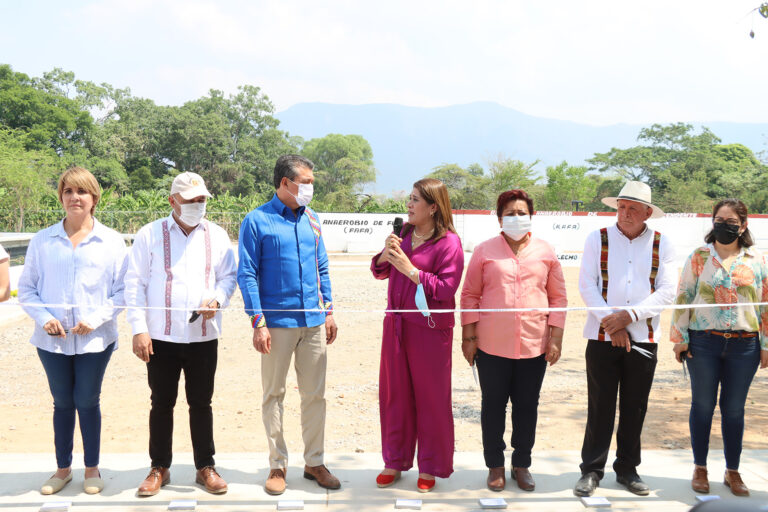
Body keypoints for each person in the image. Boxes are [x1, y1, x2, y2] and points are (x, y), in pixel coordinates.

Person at [124, 172, 237, 496]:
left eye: (201, 200)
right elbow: (135, 284)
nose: (197, 206)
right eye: (190, 201)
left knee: (202, 402)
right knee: (161, 402)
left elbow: (228, 277)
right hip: (161, 336)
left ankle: (205, 467)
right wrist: (139, 329)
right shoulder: (150, 235)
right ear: (173, 201)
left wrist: (218, 298)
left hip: (203, 334)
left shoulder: (216, 235)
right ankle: (159, 467)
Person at [18, 167, 127, 495]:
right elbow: (26, 289)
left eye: (82, 192)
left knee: (87, 399)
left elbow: (122, 292)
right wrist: (44, 317)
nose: (74, 197)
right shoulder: (43, 240)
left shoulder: (110, 241)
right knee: (62, 401)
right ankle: (63, 469)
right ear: (61, 197)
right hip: (52, 342)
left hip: (95, 339)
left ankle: (91, 469)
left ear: (94, 198)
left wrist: (94, 319)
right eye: (68, 191)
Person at [237, 155, 339, 496]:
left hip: (313, 322)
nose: (310, 188)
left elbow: (321, 266)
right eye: (305, 182)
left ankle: (315, 462)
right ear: (284, 183)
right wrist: (258, 322)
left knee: (315, 395)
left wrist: (328, 311)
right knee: (274, 394)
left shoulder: (312, 219)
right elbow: (247, 274)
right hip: (276, 324)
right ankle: (278, 464)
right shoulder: (256, 221)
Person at [460, 189, 567, 492]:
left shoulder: (545, 251)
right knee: (492, 405)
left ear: (531, 217)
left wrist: (555, 338)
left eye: (522, 213)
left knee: (526, 406)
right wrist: (468, 337)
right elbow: (469, 295)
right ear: (499, 218)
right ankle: (495, 465)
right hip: (491, 345)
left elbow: (559, 298)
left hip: (534, 344)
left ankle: (522, 464)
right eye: (510, 213)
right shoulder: (484, 251)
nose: (516, 218)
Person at [573, 181, 676, 497]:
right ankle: (591, 470)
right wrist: (612, 325)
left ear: (648, 212)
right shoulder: (597, 238)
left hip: (643, 338)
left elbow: (668, 290)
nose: (625, 213)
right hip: (602, 338)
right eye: (621, 206)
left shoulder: (662, 243)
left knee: (635, 406)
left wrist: (628, 318)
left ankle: (628, 469)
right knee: (600, 405)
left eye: (633, 208)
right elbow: (587, 285)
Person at [371, 178, 464, 493]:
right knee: (394, 395)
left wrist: (412, 271)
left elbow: (446, 289)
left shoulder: (449, 242)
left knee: (431, 399)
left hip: (429, 332)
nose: (408, 205)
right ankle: (393, 461)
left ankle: (431, 466)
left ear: (433, 207)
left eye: (415, 200)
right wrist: (387, 252)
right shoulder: (404, 234)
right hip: (396, 327)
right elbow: (380, 270)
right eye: (408, 199)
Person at [671, 198, 768, 497]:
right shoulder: (699, 256)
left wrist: (766, 345)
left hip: (746, 346)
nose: (724, 227)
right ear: (712, 222)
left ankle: (733, 471)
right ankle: (700, 468)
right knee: (702, 406)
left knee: (734, 410)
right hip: (704, 343)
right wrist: (680, 338)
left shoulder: (757, 260)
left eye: (731, 223)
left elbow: (765, 306)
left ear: (743, 226)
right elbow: (684, 296)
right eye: (719, 221)